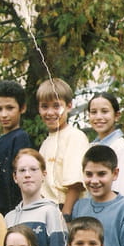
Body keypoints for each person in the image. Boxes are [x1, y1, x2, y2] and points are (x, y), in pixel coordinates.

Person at [5, 148, 68, 246]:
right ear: (15, 177)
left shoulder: (51, 212)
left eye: (33, 169)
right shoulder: (9, 218)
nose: (27, 175)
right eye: (22, 170)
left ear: (44, 175)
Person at [37, 77, 90, 220]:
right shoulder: (46, 142)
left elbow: (75, 184)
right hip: (47, 210)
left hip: (67, 209)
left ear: (69, 106)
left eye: (56, 106)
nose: (50, 112)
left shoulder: (74, 137)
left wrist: (65, 216)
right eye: (44, 107)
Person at [0, 80, 33, 216]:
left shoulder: (20, 138)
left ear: (22, 108)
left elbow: (19, 180)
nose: (4, 114)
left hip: (15, 211)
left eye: (10, 108)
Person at [88, 91, 124, 198]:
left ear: (117, 115)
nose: (98, 117)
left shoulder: (120, 147)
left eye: (104, 111)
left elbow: (121, 191)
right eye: (93, 112)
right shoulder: (92, 146)